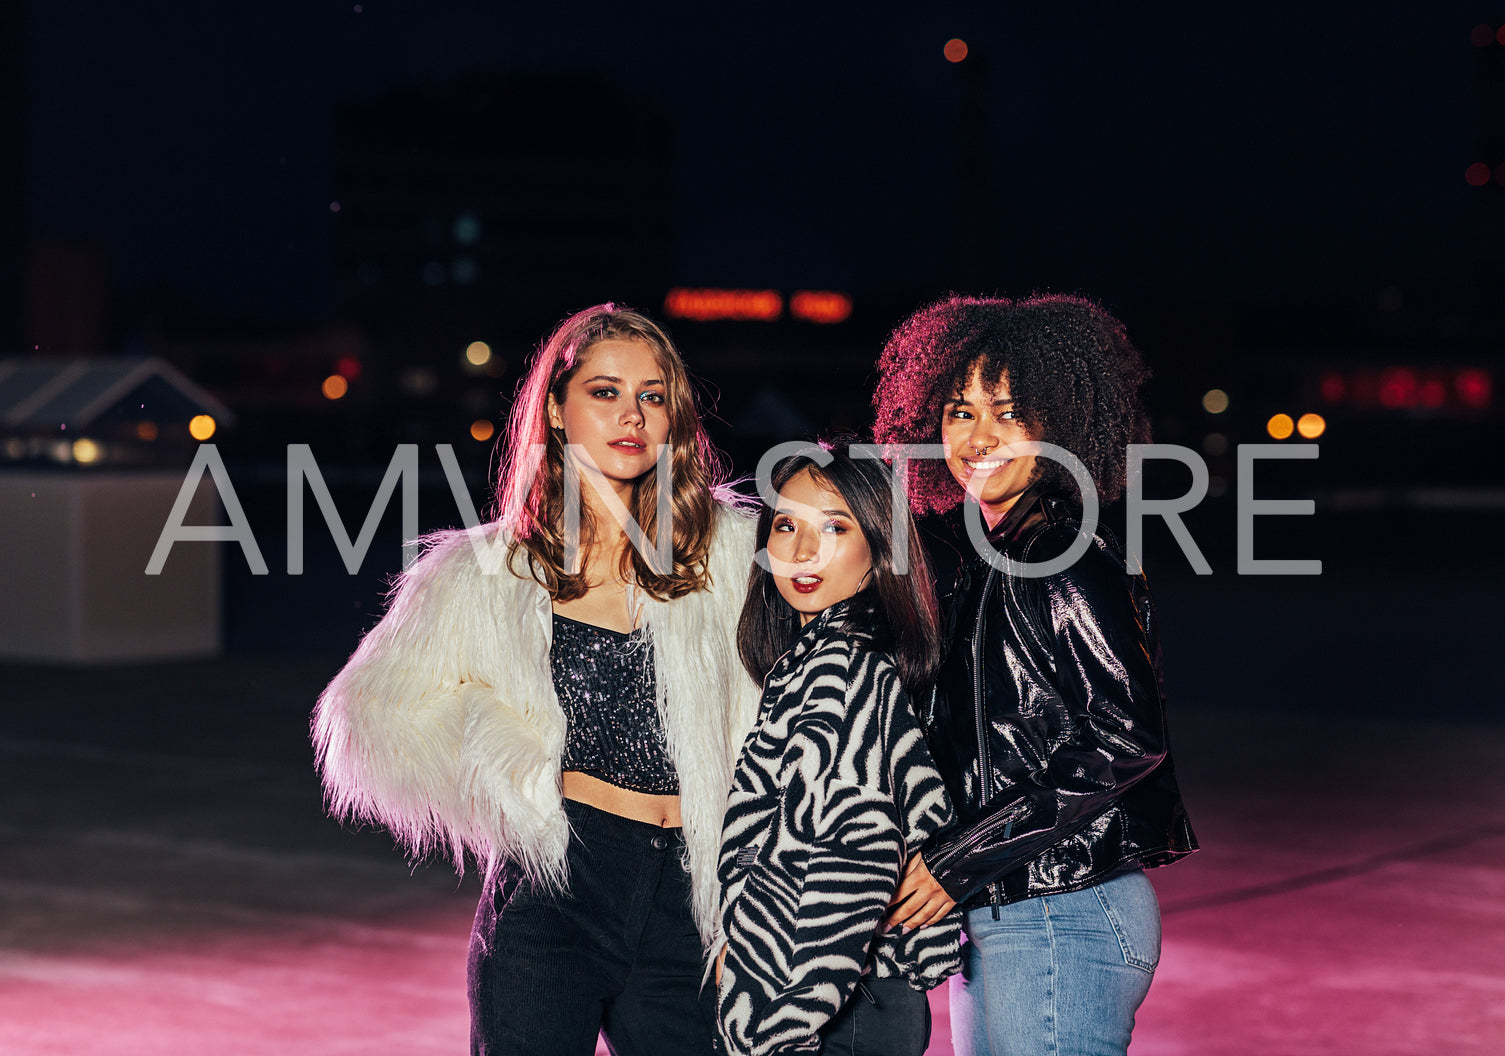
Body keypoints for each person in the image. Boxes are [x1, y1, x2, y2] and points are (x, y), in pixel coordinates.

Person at [312, 304, 761, 1056]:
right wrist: (502, 761)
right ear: (556, 408)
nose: (631, 415)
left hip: (696, 900)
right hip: (556, 891)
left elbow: (813, 710)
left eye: (652, 396)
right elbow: (371, 714)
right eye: (604, 392)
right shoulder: (480, 574)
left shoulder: (735, 560)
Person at [872, 294, 1199, 1056]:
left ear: (1060, 428)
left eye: (1009, 412)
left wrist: (956, 858)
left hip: (1061, 909)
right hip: (1007, 905)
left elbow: (1125, 734)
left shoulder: (1061, 550)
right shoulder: (993, 558)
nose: (977, 436)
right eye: (959, 411)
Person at [715, 445, 960, 1056]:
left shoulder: (840, 667)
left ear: (877, 553)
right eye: (786, 524)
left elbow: (850, 863)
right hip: (847, 1002)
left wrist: (772, 1024)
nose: (801, 551)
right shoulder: (814, 665)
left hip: (828, 1009)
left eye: (835, 527)